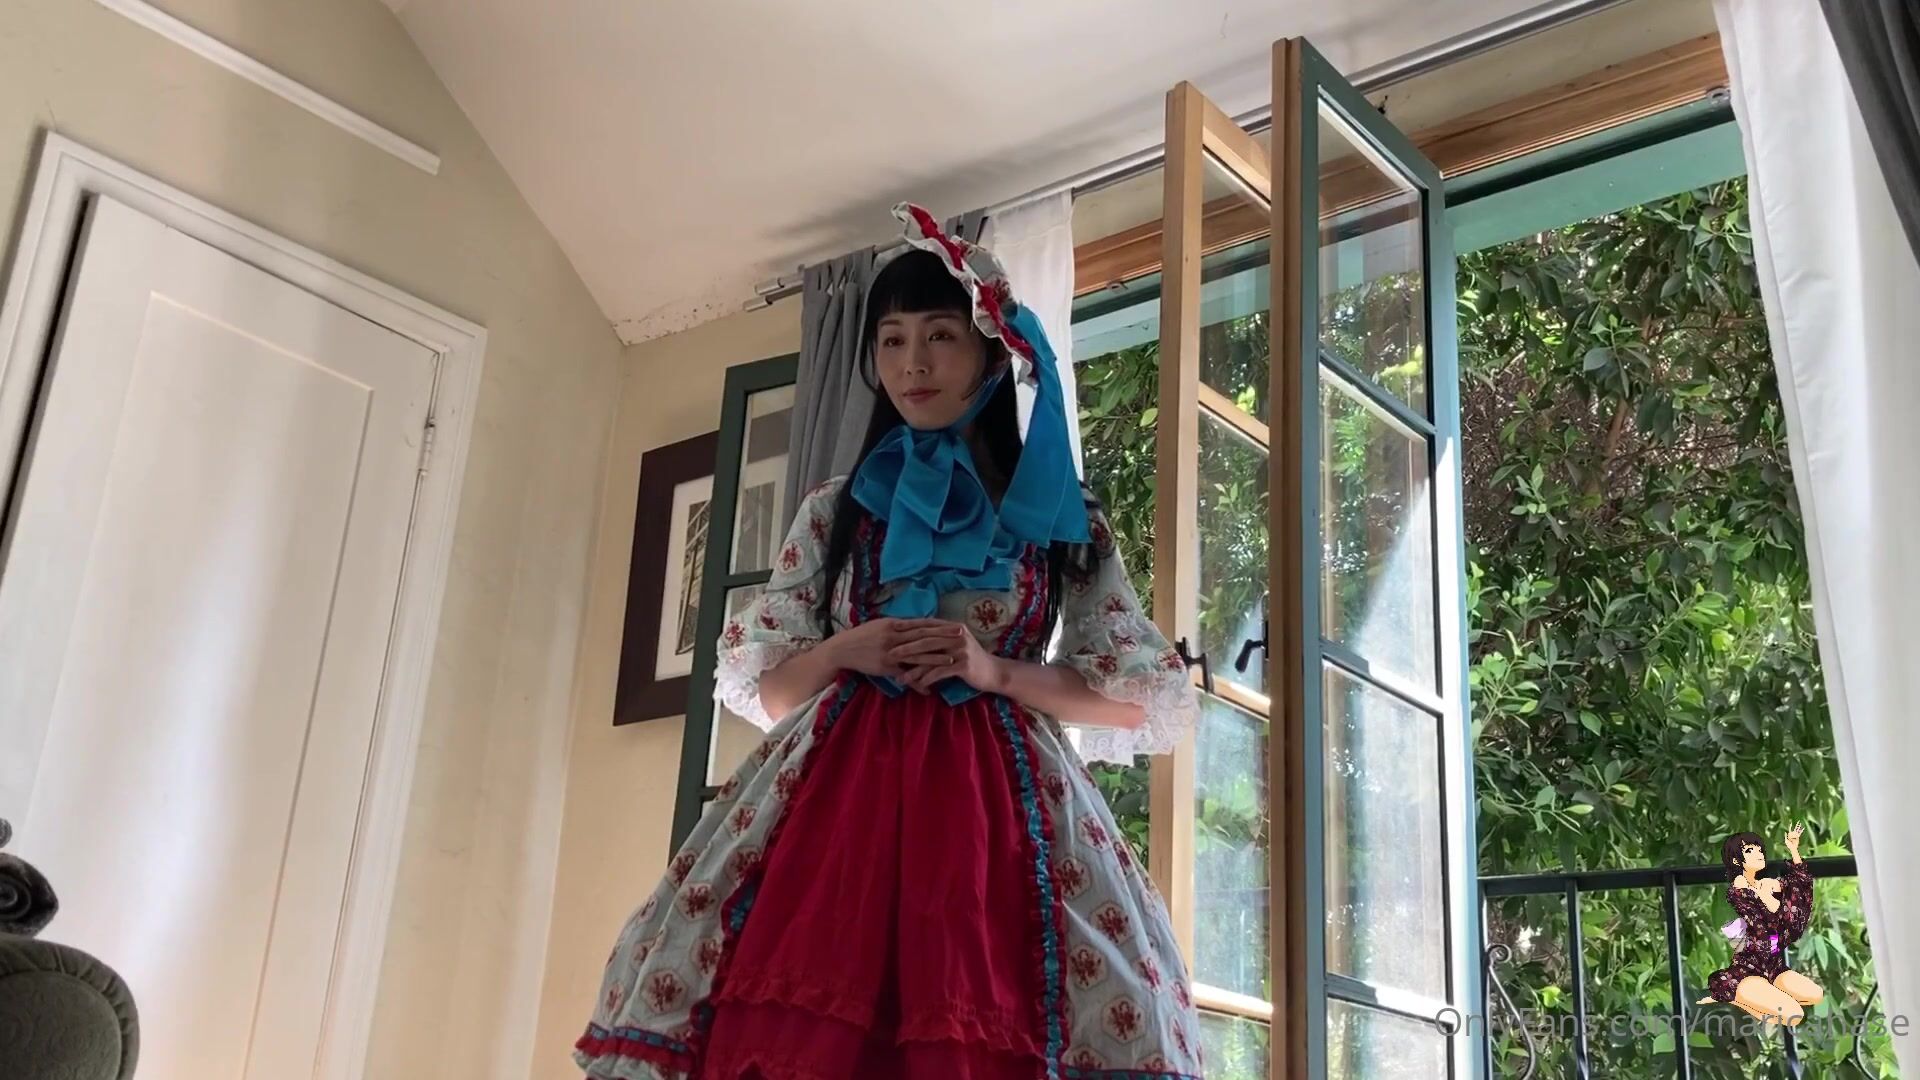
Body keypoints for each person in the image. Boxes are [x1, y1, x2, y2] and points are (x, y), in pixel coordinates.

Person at [575, 204, 1204, 1080]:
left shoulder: (1061, 515)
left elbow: (1132, 700)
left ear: (994, 353)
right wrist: (847, 649)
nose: (913, 363)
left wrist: (992, 670)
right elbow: (772, 692)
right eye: (892, 340)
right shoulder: (834, 510)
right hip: (834, 806)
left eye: (941, 336)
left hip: (1001, 812)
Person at [1698, 824, 1824, 1027]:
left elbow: (1798, 883)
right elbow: (1773, 913)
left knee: (1815, 995)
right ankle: (1734, 992)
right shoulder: (1740, 888)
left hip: (1774, 963)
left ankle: (1757, 994)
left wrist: (1793, 849)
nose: (1758, 854)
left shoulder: (1762, 884)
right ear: (1736, 860)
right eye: (1750, 851)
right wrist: (1771, 891)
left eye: (1759, 849)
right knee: (1794, 1016)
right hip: (1751, 964)